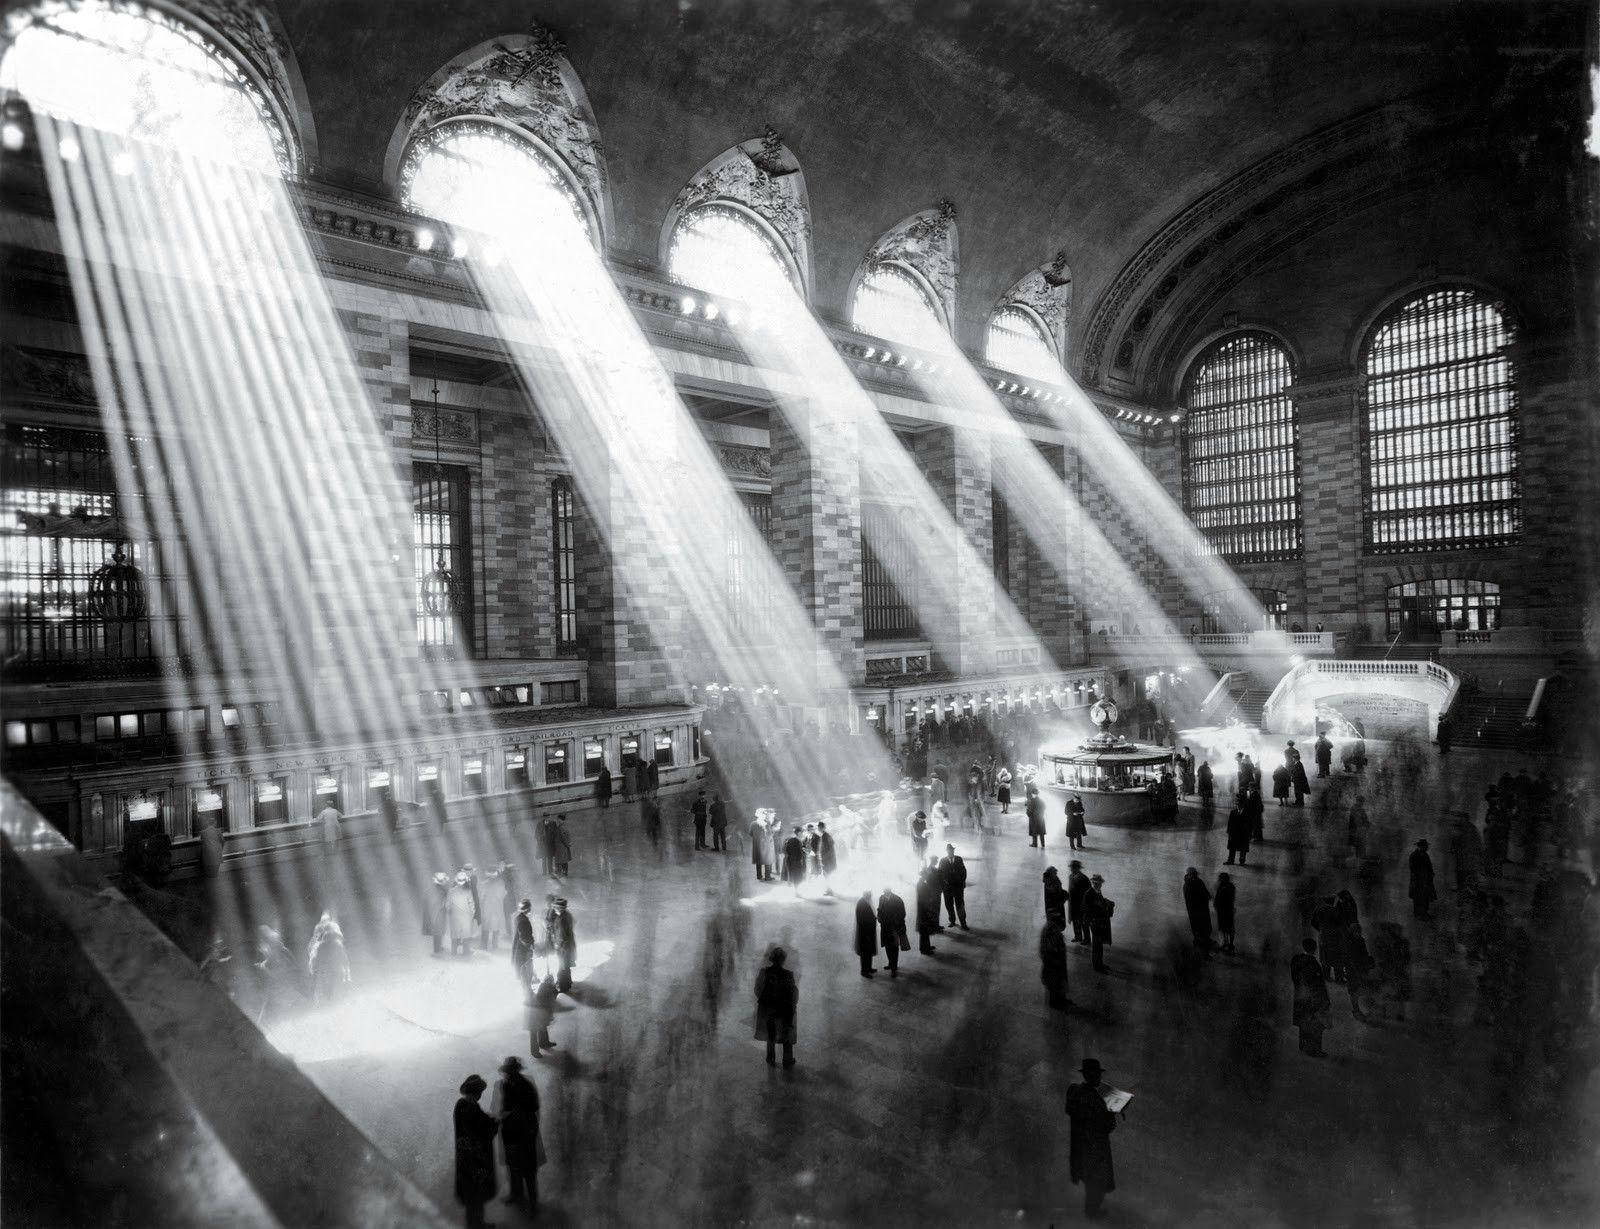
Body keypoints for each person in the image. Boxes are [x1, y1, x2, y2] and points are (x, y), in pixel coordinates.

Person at [1064, 1058, 1118, 1218]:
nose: (1099, 1078)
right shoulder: (1093, 1097)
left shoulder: (1077, 1093)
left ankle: (1092, 1212)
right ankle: (1092, 1214)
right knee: (1097, 1182)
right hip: (1095, 1147)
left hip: (1083, 1147)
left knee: (1092, 1181)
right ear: (1091, 1075)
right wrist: (1112, 1112)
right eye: (1097, 1074)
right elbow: (1105, 1125)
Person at [492, 1056, 544, 1210]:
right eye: (506, 1072)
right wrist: (503, 1115)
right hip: (510, 1132)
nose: (507, 1075)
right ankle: (516, 1194)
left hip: (525, 1132)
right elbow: (504, 1105)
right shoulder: (505, 1085)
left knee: (528, 1169)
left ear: (515, 1071)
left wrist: (516, 1112)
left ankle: (533, 1202)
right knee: (513, 1166)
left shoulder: (526, 1086)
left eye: (509, 1072)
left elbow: (534, 1107)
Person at [454, 1074, 498, 1228]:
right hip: (475, 1158)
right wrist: (494, 1123)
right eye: (480, 1092)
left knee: (470, 1192)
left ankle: (473, 1223)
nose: (480, 1095)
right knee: (476, 1192)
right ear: (476, 1092)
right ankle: (477, 1224)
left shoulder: (461, 1104)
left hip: (464, 1157)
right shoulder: (471, 1107)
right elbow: (481, 1131)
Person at [754, 948, 797, 1067]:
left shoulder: (765, 972)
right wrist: (791, 1006)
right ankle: (787, 1060)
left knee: (770, 1034)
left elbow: (758, 989)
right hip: (783, 1010)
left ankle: (770, 1057)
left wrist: (765, 1002)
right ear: (783, 960)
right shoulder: (788, 975)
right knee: (786, 1034)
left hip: (769, 1009)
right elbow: (793, 994)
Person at [1290, 938, 1331, 1056]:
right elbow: (1318, 984)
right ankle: (1315, 1049)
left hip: (1300, 996)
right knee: (1316, 1024)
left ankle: (1303, 1045)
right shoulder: (1313, 963)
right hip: (1313, 998)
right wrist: (1325, 1000)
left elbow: (1295, 979)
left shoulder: (1296, 960)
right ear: (1314, 949)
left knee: (1304, 1022)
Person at [877, 885, 908, 978]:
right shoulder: (881, 898)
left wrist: (895, 922)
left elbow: (903, 913)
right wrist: (879, 917)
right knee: (887, 946)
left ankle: (894, 969)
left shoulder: (897, 899)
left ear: (889, 890)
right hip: (885, 927)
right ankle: (891, 963)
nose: (884, 891)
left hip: (894, 927)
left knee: (894, 947)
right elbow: (879, 910)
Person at [1040, 917, 1071, 1009]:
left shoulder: (1051, 931)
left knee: (1059, 983)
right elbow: (1048, 952)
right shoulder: (1051, 933)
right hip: (1054, 965)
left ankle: (1060, 999)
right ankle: (1056, 1003)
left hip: (1056, 964)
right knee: (1055, 984)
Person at [1085, 874, 1113, 973]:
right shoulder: (1089, 893)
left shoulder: (1097, 892)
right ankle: (1097, 966)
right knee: (1096, 945)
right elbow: (1087, 909)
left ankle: (1100, 963)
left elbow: (1099, 903)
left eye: (1100, 883)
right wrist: (1093, 921)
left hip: (1100, 923)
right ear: (1093, 883)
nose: (1100, 885)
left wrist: (1106, 903)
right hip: (1095, 924)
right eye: (1097, 883)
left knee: (1099, 945)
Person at [447, 871, 479, 958]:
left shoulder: (451, 891)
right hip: (466, 917)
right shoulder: (468, 891)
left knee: (455, 935)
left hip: (455, 917)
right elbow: (472, 905)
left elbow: (448, 905)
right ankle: (466, 952)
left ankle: (454, 952)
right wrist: (471, 916)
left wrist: (450, 913)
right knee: (465, 935)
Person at [1182, 867, 1212, 957]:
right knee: (1200, 930)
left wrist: (1207, 896)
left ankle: (1200, 946)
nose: (1195, 875)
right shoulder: (1189, 885)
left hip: (1200, 910)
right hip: (1197, 911)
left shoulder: (1197, 881)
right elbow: (1192, 900)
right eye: (1193, 874)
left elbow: (1205, 892)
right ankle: (1203, 952)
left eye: (1195, 873)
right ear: (1190, 874)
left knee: (1202, 929)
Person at [939, 843, 969, 929]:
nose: (950, 852)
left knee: (960, 905)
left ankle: (963, 923)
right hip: (947, 888)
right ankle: (952, 921)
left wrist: (962, 882)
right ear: (947, 851)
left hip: (958, 888)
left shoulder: (959, 859)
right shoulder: (942, 861)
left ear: (953, 851)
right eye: (949, 850)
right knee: (949, 905)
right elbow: (940, 874)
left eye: (952, 850)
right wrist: (943, 885)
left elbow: (964, 871)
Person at [527, 973, 557, 1053]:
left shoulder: (547, 987)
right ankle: (536, 1050)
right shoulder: (545, 989)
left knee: (543, 1027)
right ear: (548, 981)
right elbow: (547, 1003)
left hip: (540, 1011)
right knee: (536, 1031)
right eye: (551, 980)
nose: (552, 982)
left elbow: (550, 1002)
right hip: (536, 1012)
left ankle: (544, 1043)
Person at [915, 862, 942, 953]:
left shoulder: (921, 883)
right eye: (926, 874)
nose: (927, 876)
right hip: (924, 910)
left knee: (925, 930)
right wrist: (929, 908)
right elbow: (924, 899)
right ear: (924, 875)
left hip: (923, 910)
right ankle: (924, 949)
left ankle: (926, 946)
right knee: (924, 931)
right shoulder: (922, 885)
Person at [552, 897, 577, 992]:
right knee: (566, 966)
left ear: (559, 908)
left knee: (562, 967)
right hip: (569, 945)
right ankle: (568, 984)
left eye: (555, 907)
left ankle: (562, 987)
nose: (554, 909)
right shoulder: (568, 915)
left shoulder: (560, 919)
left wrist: (557, 945)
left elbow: (561, 935)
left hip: (563, 947)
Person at [1409, 839, 1437, 920]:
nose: (1427, 848)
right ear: (1421, 846)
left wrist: (1431, 873)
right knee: (1418, 897)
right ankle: (1418, 914)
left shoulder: (1425, 854)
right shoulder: (1414, 855)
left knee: (1425, 897)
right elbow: (1413, 869)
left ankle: (1424, 913)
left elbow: (1429, 865)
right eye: (1426, 846)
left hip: (1425, 880)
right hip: (1418, 881)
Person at [511, 898, 535, 986]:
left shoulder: (518, 918)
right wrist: (530, 946)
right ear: (527, 909)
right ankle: (527, 992)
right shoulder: (523, 920)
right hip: (522, 949)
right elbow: (524, 937)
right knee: (524, 970)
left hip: (518, 948)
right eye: (529, 908)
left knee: (522, 970)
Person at [854, 890, 877, 977]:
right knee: (865, 953)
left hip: (867, 933)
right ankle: (864, 971)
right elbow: (861, 920)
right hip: (865, 933)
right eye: (870, 895)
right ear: (867, 895)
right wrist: (873, 919)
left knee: (868, 951)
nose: (871, 897)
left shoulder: (864, 902)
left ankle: (869, 968)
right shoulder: (862, 904)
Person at [1066, 861, 1090, 943]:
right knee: (1075, 921)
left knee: (1083, 922)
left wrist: (1085, 904)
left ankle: (1087, 939)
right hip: (1073, 903)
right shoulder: (1071, 876)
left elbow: (1087, 893)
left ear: (1077, 868)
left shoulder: (1083, 878)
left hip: (1081, 904)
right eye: (1071, 867)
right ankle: (1078, 936)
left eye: (1073, 867)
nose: (1071, 869)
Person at [1214, 871, 1236, 954]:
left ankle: (1225, 944)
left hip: (1223, 912)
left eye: (1220, 878)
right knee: (1230, 928)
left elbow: (1219, 899)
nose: (1219, 880)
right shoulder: (1231, 886)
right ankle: (1230, 945)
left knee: (1224, 928)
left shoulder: (1222, 887)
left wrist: (1216, 906)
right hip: (1229, 911)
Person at [1225, 802, 1252, 866]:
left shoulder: (1247, 813)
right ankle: (1231, 860)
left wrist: (1250, 833)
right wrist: (1228, 830)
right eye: (1237, 805)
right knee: (1232, 847)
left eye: (1239, 805)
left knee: (1243, 848)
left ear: (1242, 805)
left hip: (1243, 833)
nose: (1238, 806)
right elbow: (1230, 822)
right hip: (1234, 832)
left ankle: (1242, 861)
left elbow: (1250, 824)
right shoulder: (1233, 812)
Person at [1043, 865, 1068, 930]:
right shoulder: (1049, 881)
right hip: (1054, 906)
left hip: (1055, 906)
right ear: (1051, 873)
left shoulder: (1053, 880)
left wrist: (1064, 894)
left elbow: (1058, 891)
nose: (1056, 873)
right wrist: (1065, 895)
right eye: (1055, 872)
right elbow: (1055, 894)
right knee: (1055, 924)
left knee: (1056, 924)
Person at [782, 826, 805, 895]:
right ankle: (797, 892)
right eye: (802, 832)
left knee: (795, 876)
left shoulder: (791, 840)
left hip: (791, 861)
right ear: (798, 833)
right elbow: (797, 853)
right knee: (797, 877)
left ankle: (796, 891)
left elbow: (786, 850)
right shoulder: (796, 841)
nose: (803, 834)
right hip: (796, 862)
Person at [750, 814, 773, 881]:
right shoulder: (767, 823)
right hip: (766, 844)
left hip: (757, 844)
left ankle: (759, 876)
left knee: (758, 860)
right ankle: (767, 876)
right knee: (767, 860)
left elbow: (750, 833)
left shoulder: (753, 823)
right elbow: (770, 834)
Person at [817, 821, 837, 894]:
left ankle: (829, 890)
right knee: (827, 875)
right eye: (818, 827)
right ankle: (829, 889)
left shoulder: (825, 836)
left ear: (822, 828)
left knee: (827, 875)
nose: (818, 829)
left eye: (819, 827)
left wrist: (823, 858)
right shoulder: (825, 836)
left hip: (828, 860)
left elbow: (830, 849)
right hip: (827, 859)